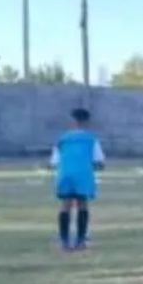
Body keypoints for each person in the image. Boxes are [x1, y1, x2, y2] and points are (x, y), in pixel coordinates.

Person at [49, 108, 105, 251]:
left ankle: (64, 241)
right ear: (87, 122)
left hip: (65, 174)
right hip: (83, 175)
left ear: (72, 121)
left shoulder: (62, 139)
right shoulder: (91, 139)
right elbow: (99, 161)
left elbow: (54, 162)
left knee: (65, 206)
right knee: (82, 205)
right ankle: (81, 241)